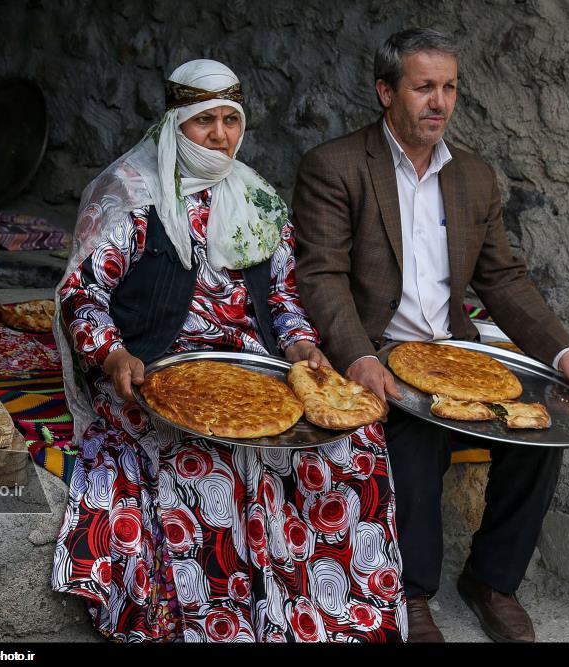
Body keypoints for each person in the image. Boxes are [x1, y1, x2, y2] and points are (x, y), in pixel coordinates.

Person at [51, 59, 407, 643]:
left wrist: (299, 344)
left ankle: (328, 617)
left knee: (355, 443)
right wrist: (112, 355)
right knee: (206, 460)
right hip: (156, 367)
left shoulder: (256, 200)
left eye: (231, 121)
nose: (220, 136)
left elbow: (285, 293)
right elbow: (83, 293)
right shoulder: (131, 193)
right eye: (204, 121)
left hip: (249, 363)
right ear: (175, 122)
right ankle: (220, 625)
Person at [291, 29, 569, 643]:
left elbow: (503, 279)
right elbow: (320, 273)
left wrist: (564, 351)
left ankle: (492, 582)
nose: (439, 102)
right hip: (381, 353)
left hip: (457, 356)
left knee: (545, 433)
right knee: (411, 447)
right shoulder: (335, 166)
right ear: (386, 92)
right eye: (423, 88)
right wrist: (356, 356)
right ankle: (410, 596)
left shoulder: (473, 178)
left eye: (450, 88)